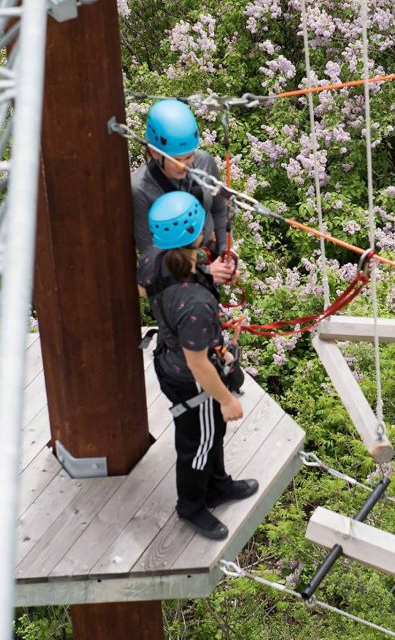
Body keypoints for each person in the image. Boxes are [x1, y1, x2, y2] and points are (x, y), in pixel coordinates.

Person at [137, 191, 258, 540]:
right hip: (191, 380)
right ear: (197, 235)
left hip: (170, 359)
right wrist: (226, 400)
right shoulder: (195, 305)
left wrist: (203, 273)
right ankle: (191, 506)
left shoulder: (153, 258)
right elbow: (199, 364)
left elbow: (147, 289)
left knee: (209, 434)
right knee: (198, 443)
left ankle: (217, 485)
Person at [131, 98, 236, 286]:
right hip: (176, 284)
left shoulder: (204, 163)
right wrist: (204, 273)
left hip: (210, 260)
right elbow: (150, 256)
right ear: (154, 153)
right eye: (176, 159)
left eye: (190, 156)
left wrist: (225, 253)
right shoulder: (141, 188)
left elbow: (219, 210)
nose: (185, 165)